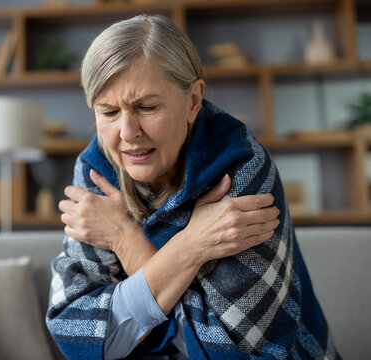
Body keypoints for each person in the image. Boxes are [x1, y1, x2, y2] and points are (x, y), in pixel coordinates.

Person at [46, 14, 338, 360]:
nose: (126, 133)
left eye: (147, 107)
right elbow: (74, 331)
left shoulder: (241, 167)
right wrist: (190, 244)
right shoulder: (97, 168)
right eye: (108, 112)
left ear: (193, 101)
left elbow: (241, 351)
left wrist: (128, 249)